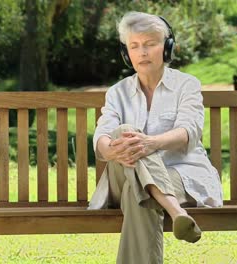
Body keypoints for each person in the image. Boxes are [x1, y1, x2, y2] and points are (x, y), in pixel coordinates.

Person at [88, 11, 223, 264]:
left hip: (181, 175)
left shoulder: (187, 85)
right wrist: (111, 150)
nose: (143, 52)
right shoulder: (117, 92)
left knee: (137, 191)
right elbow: (103, 135)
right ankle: (175, 209)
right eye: (135, 46)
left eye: (150, 44)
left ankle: (163, 198)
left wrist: (151, 143)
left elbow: (189, 131)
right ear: (126, 53)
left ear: (167, 47)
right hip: (122, 173)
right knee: (123, 132)